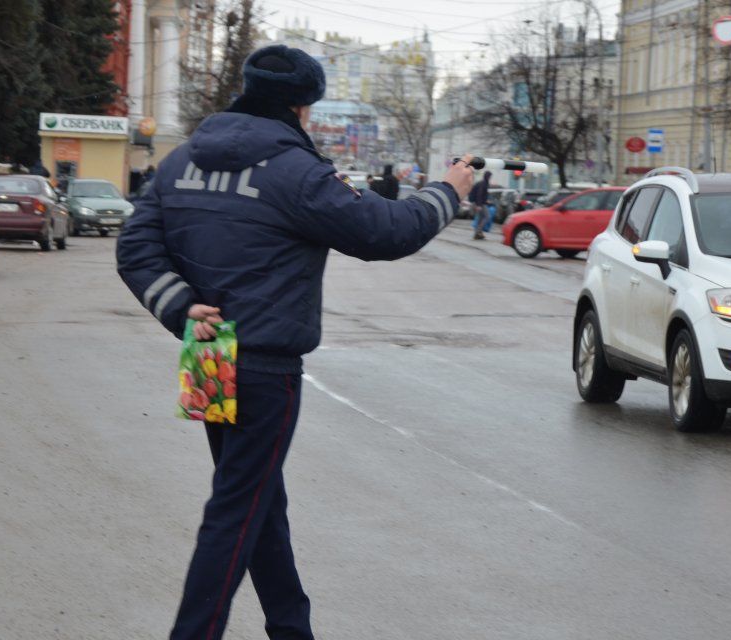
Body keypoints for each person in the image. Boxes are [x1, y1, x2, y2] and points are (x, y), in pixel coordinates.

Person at [116, 44, 474, 640]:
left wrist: (180, 308)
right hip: (264, 365)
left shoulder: (179, 163)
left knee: (259, 504)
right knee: (237, 511)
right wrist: (448, 191)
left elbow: (134, 248)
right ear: (304, 106)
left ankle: (291, 627)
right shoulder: (296, 172)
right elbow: (385, 232)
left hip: (206, 352)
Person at [470, 171, 492, 240]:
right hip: (480, 204)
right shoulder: (483, 183)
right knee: (487, 216)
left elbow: (483, 195)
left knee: (480, 219)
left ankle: (478, 234)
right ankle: (478, 231)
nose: (490, 178)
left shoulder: (484, 183)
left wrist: (486, 201)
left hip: (480, 203)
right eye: (490, 176)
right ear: (487, 176)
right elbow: (479, 194)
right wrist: (478, 205)